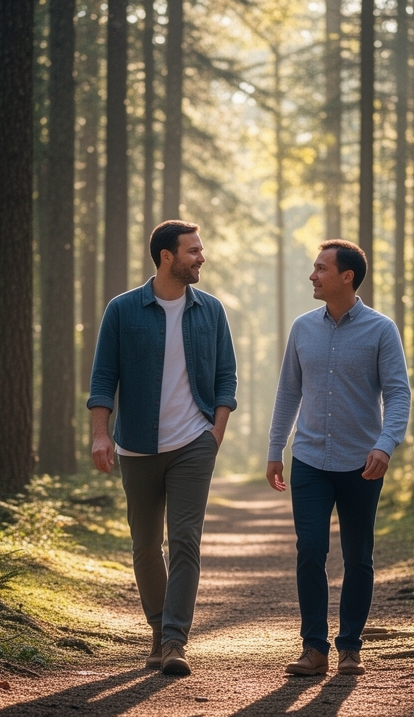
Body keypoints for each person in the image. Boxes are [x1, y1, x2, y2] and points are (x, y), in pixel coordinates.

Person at [89, 220, 237, 676]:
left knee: (186, 541)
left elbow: (226, 378)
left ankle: (175, 640)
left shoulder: (210, 311)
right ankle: (157, 629)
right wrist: (100, 433)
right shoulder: (123, 309)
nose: (201, 258)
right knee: (145, 545)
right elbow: (102, 378)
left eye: (201, 249)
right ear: (166, 256)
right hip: (137, 445)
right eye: (192, 251)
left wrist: (215, 431)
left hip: (194, 442)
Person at [267, 239, 411, 676]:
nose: (313, 275)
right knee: (310, 550)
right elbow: (288, 393)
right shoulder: (302, 328)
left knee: (358, 556)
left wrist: (386, 445)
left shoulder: (381, 330)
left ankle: (350, 646)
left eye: (320, 268)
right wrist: (276, 450)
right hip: (309, 458)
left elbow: (399, 394)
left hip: (361, 463)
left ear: (347, 276)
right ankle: (314, 648)